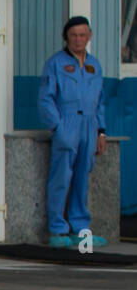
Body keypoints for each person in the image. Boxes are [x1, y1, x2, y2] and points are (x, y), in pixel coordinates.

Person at [38, 17, 107, 248]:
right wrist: (58, 126)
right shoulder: (55, 63)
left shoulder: (94, 65)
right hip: (67, 122)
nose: (78, 39)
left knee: (82, 178)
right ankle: (57, 229)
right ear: (66, 37)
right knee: (61, 177)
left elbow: (100, 101)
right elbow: (46, 98)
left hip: (90, 123)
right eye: (74, 35)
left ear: (90, 36)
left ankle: (80, 229)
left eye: (83, 35)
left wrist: (101, 131)